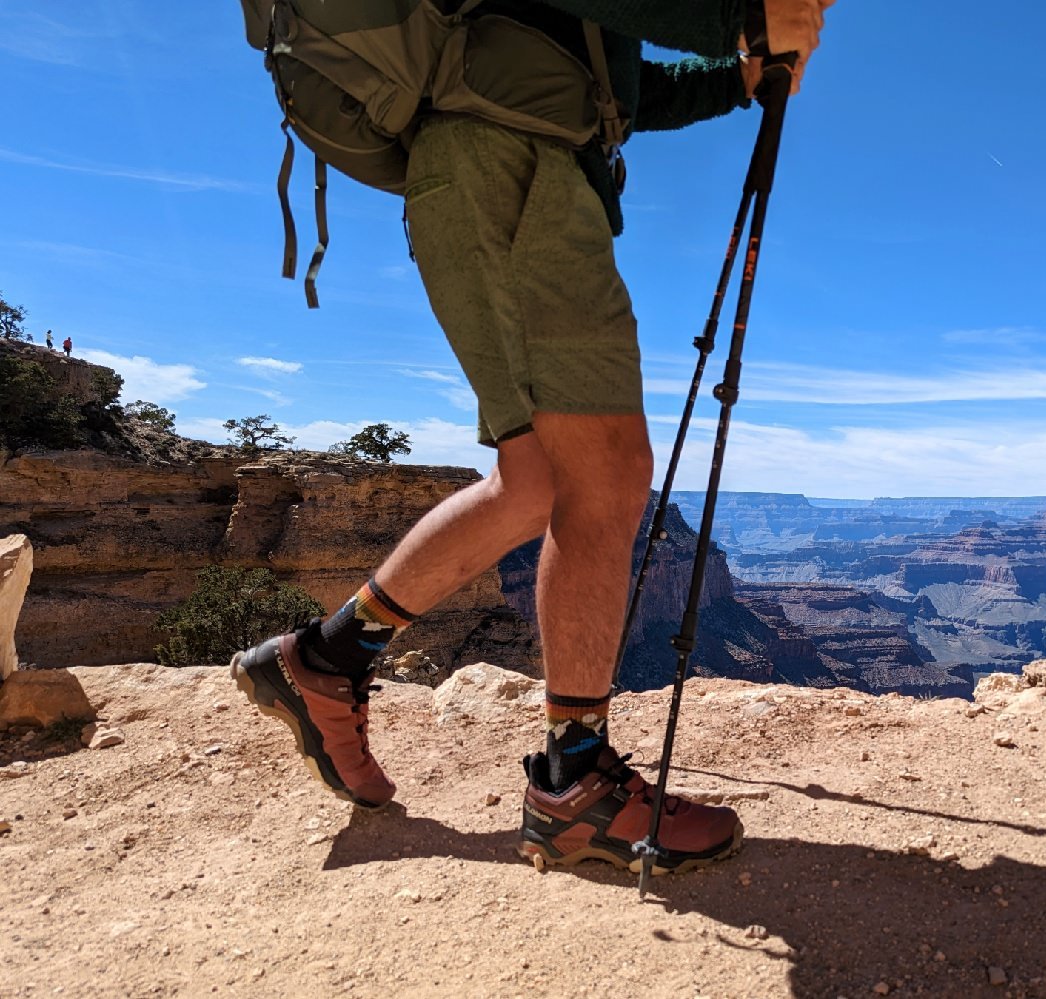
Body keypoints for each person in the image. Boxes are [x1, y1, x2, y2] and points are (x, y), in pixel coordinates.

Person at [231, 0, 834, 876]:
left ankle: (329, 655)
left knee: (535, 480)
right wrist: (743, 15)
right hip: (510, 166)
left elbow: (617, 89)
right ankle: (573, 788)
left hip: (503, 163)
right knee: (609, 472)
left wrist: (738, 78)